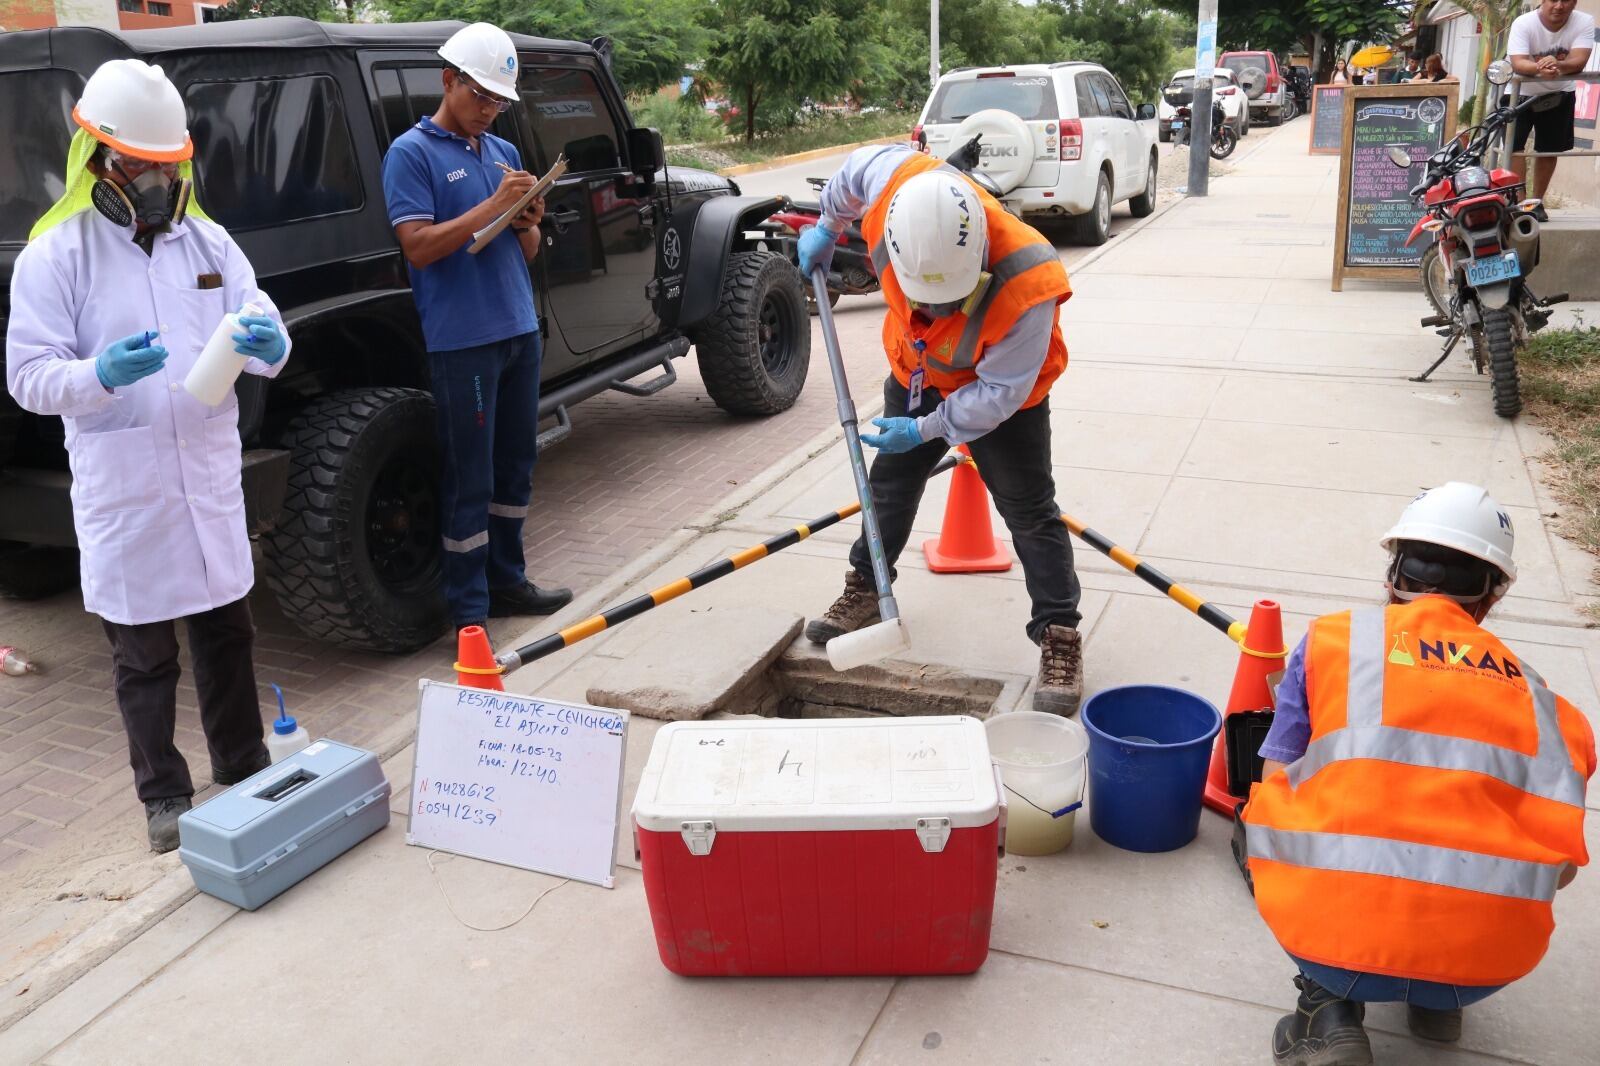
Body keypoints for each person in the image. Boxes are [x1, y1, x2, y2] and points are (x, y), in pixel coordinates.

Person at [6, 60, 292, 852]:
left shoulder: (210, 240)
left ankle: (244, 764)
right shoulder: (56, 255)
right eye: (141, 167)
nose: (159, 181)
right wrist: (96, 374)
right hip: (125, 485)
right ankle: (163, 795)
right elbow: (27, 378)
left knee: (228, 631)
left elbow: (259, 322)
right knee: (143, 652)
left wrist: (272, 341)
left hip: (204, 477)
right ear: (98, 159)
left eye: (170, 167)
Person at [1241, 483, 1593, 1066]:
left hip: (1332, 943)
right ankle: (1439, 1002)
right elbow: (1561, 875)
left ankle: (1324, 1012)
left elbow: (1276, 779)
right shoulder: (1549, 707)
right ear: (1492, 595)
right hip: (1486, 966)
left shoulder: (1335, 641)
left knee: (1270, 816)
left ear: (1393, 575)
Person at [796, 144, 1085, 715]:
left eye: (951, 299)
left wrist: (926, 429)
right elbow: (851, 175)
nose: (938, 309)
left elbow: (995, 396)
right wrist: (828, 225)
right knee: (888, 487)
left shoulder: (1029, 282)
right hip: (919, 372)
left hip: (1006, 400)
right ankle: (868, 588)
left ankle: (1059, 635)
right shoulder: (895, 186)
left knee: (1030, 510)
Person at [382, 22, 572, 636]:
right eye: (481, 96)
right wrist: (493, 206)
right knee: (472, 473)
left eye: (499, 101)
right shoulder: (410, 154)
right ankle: (467, 609)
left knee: (516, 463)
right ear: (448, 81)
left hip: (516, 328)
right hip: (462, 342)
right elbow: (417, 247)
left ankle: (507, 581)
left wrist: (526, 219)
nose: (490, 110)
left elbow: (529, 251)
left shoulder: (504, 154)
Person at [1507, 0, 1595, 208]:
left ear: (1575, 2)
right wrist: (1540, 68)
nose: (1559, 6)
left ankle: (1536, 202)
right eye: (1553, 0)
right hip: (1521, 92)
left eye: (1566, 0)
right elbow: (1517, 62)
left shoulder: (1584, 21)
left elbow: (1579, 60)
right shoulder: (1523, 23)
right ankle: (1520, 203)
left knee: (1549, 150)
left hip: (1560, 92)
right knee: (1514, 147)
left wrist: (1558, 65)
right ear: (1542, 1)